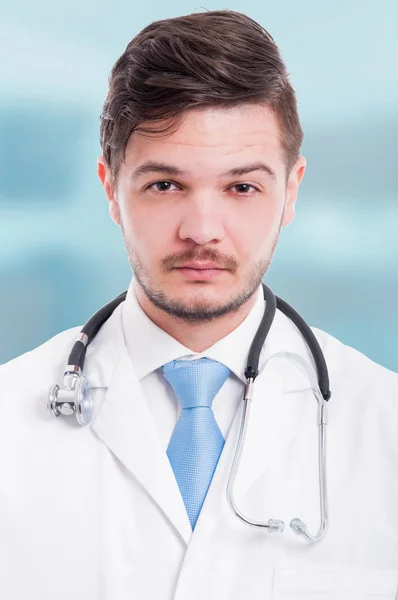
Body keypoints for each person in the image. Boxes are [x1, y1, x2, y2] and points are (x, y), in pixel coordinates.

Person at [1, 9, 398, 600]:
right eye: (166, 185)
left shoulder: (384, 426)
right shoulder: (9, 422)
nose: (202, 230)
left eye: (242, 187)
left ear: (290, 191)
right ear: (111, 189)